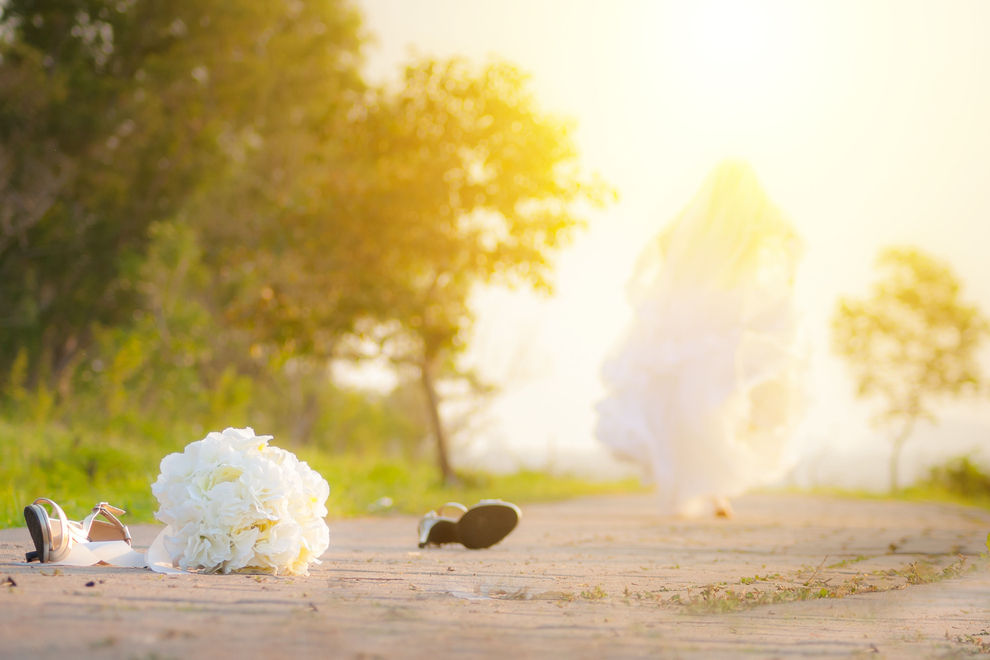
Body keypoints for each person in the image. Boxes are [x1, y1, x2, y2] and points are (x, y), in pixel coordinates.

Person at [595, 161, 803, 517]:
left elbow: (661, 244)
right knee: (712, 407)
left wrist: (680, 280)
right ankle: (704, 492)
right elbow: (794, 242)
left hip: (693, 323)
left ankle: (695, 490)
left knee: (690, 408)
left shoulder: (697, 221)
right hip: (721, 323)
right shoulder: (754, 222)